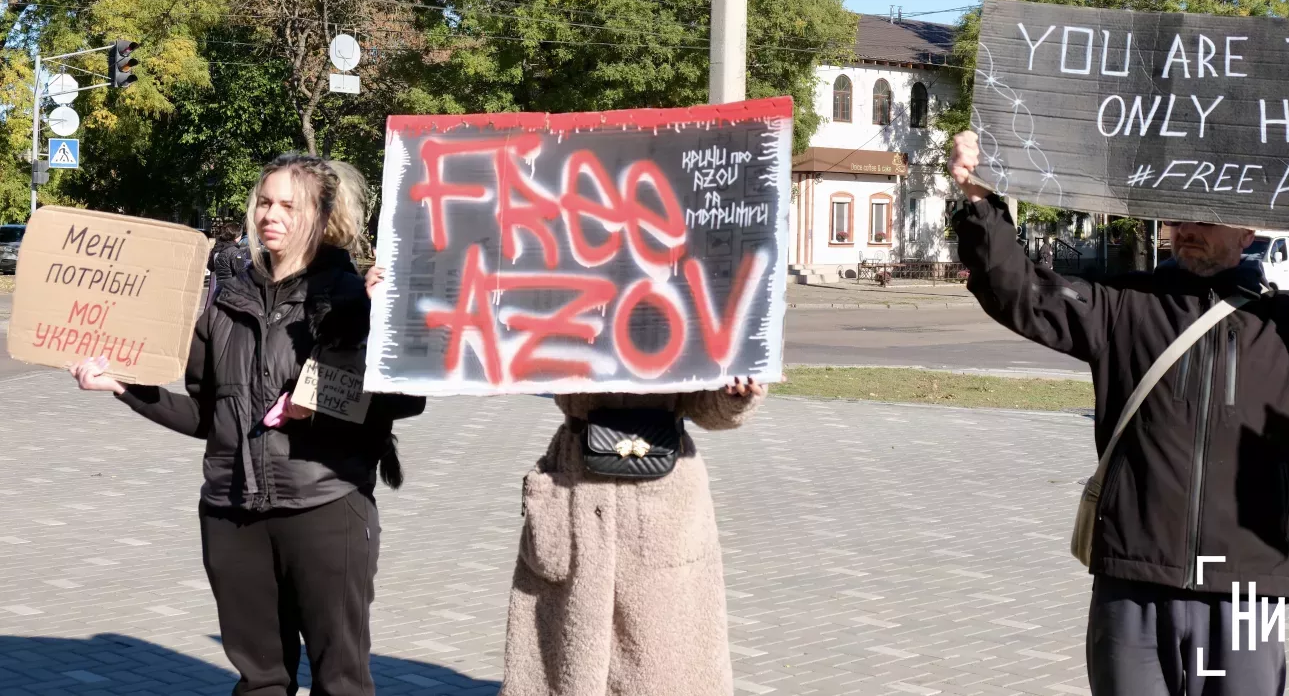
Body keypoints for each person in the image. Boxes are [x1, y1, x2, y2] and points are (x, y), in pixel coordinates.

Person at [947, 130, 1289, 695]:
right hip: (1134, 579)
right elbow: (1023, 294)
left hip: (1246, 588)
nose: (1189, 229)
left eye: (1207, 215)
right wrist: (980, 203)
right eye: (1177, 215)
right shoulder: (1125, 306)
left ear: (1248, 228)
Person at [68, 154, 425, 696]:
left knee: (341, 680)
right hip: (231, 514)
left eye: (289, 204)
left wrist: (377, 330)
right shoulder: (221, 304)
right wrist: (123, 386)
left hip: (325, 509)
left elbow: (408, 400)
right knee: (259, 681)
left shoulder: (354, 298)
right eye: (264, 202)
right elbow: (205, 416)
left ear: (322, 215)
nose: (270, 215)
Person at [503, 380, 766, 696]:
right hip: (574, 482)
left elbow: (709, 410)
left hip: (664, 490)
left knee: (662, 657)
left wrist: (734, 394)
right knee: (562, 651)